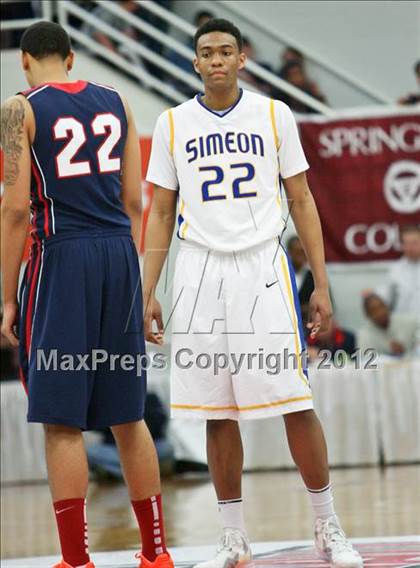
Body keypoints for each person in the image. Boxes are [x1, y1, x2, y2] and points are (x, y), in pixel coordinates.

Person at [143, 17, 363, 568]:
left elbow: (303, 200)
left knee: (295, 400)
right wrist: (147, 290)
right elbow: (162, 212)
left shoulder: (273, 113)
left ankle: (327, 525)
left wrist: (321, 282)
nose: (216, 60)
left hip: (262, 266)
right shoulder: (172, 123)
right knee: (216, 410)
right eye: (206, 53)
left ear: (242, 59)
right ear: (194, 63)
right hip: (196, 269)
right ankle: (233, 535)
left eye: (225, 51)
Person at [0, 21, 173, 568]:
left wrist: (6, 297)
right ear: (71, 57)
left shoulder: (17, 108)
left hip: (62, 254)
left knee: (61, 419)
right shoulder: (118, 101)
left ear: (24, 61)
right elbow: (134, 202)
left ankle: (76, 560)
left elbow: (13, 209)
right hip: (120, 254)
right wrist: (145, 288)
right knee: (128, 415)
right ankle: (156, 553)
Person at [376, 225, 420, 317]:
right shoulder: (395, 270)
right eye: (406, 244)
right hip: (403, 324)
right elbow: (384, 295)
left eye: (414, 243)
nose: (410, 248)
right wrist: (373, 297)